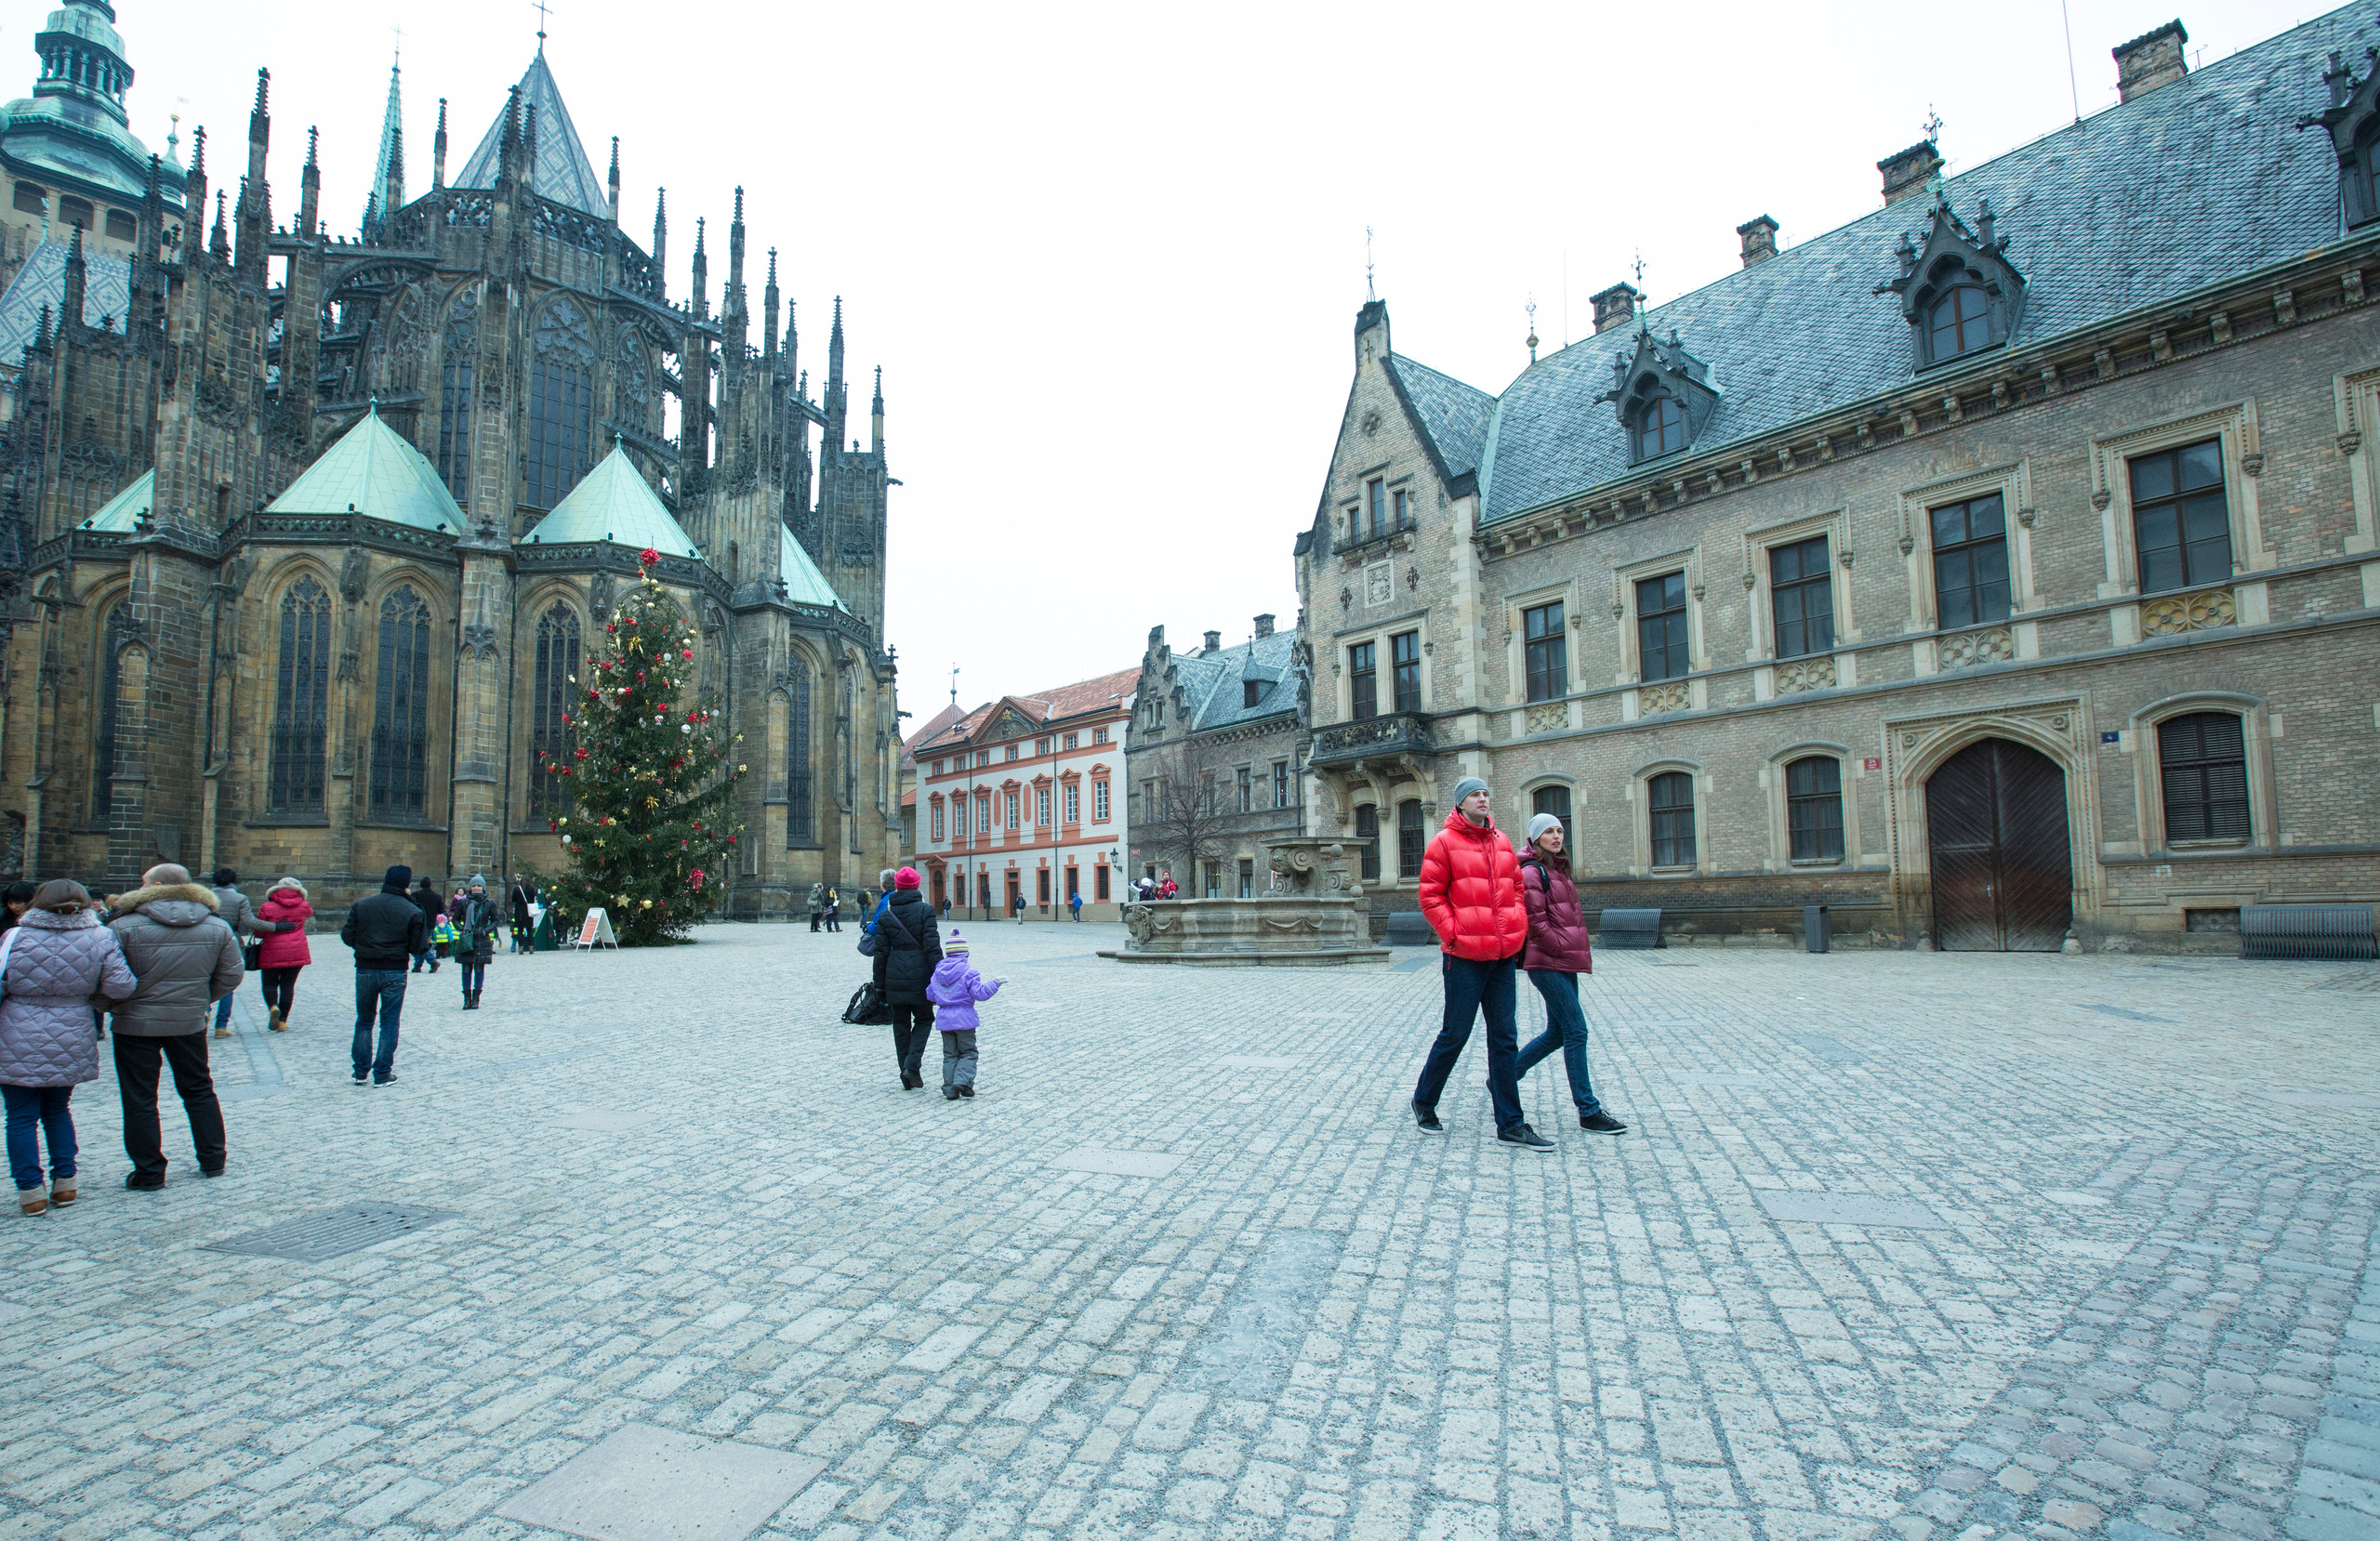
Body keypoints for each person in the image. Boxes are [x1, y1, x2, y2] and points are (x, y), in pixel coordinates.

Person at [1411, 778, 1552, 1150]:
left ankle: (1511, 1123)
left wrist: (1518, 925)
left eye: (1486, 793)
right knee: (1455, 1034)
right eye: (1476, 794)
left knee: (1505, 1039)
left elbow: (1517, 888)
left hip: (1503, 956)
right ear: (1461, 804)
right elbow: (1430, 895)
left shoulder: (1502, 841)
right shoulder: (1443, 842)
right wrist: (1453, 932)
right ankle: (1424, 1101)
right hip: (1464, 957)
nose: (1483, 799)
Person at [0, 879, 138, 1214]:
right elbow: (122, 986)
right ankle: (66, 1183)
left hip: (16, 1030)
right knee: (58, 1110)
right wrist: (87, 998)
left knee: (20, 1117)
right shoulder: (100, 936)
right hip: (73, 1028)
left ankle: (31, 1191)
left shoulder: (15, 936)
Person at [107, 863, 245, 1187]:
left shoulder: (121, 927)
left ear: (154, 884)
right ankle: (213, 1159)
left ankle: (150, 1172)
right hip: (188, 1020)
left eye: (142, 881)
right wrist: (201, 999)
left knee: (139, 1097)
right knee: (198, 1089)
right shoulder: (216, 926)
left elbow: (107, 980)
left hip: (134, 1022)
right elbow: (232, 975)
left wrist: (114, 1007)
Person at [1514, 814, 1627, 1136]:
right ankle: (1588, 1110)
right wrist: (1561, 946)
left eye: (1559, 830)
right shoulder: (1533, 871)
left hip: (1562, 961)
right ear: (1536, 838)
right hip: (1546, 962)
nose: (1556, 836)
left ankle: (1504, 1078)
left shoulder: (1558, 871)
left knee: (1558, 1033)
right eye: (1549, 831)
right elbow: (1536, 922)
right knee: (1576, 1030)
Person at [344, 865, 429, 1087]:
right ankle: (382, 1073)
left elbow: (347, 936)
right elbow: (418, 947)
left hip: (365, 968)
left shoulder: (362, 905)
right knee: (389, 1022)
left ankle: (360, 1071)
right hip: (394, 969)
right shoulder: (412, 911)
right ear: (407, 884)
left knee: (364, 1020)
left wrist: (364, 947)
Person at [873, 868, 942, 1089]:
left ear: (898, 886)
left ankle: (906, 1069)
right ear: (917, 886)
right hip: (921, 975)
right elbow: (933, 948)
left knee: (900, 1024)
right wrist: (941, 976)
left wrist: (879, 986)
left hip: (893, 975)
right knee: (924, 1020)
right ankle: (911, 1067)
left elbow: (880, 954)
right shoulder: (926, 911)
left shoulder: (887, 914)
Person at [925, 929, 1000, 1100]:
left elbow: (930, 995)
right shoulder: (968, 973)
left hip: (945, 1021)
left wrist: (945, 998)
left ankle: (950, 1088)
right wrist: (995, 983)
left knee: (950, 1054)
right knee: (968, 1052)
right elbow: (981, 993)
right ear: (965, 953)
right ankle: (962, 1081)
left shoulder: (937, 974)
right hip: (965, 1021)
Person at [206, 867, 270, 1039]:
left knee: (204, 979)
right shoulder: (240, 898)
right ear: (233, 881)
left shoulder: (204, 897)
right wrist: (276, 927)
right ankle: (221, 1026)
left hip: (206, 938)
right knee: (227, 983)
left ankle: (204, 1012)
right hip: (231, 939)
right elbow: (250, 921)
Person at [254, 877, 312, 1032]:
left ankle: (273, 1006)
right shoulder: (304, 905)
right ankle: (283, 1021)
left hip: (271, 951)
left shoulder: (267, 906)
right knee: (288, 985)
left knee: (269, 983)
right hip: (297, 950)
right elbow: (309, 913)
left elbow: (259, 932)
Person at [452, 876, 500, 1009]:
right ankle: (466, 998)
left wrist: (486, 931)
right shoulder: (463, 903)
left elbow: (496, 920)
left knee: (479, 968)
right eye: (474, 886)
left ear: (483, 888)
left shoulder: (489, 903)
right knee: (466, 968)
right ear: (470, 888)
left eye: (479, 886)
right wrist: (463, 929)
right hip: (468, 940)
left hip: (482, 939)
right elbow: (455, 919)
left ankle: (476, 998)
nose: (476, 888)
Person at [408, 876, 443, 973]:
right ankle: (417, 965)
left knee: (420, 944)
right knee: (421, 943)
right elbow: (441, 910)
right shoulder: (437, 896)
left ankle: (432, 961)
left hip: (418, 922)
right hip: (430, 923)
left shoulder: (415, 895)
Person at [509, 876, 537, 954]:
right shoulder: (531, 889)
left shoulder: (517, 889)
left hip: (519, 912)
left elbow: (513, 899)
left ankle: (521, 948)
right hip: (528, 911)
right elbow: (533, 899)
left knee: (520, 930)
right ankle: (531, 947)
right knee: (529, 930)